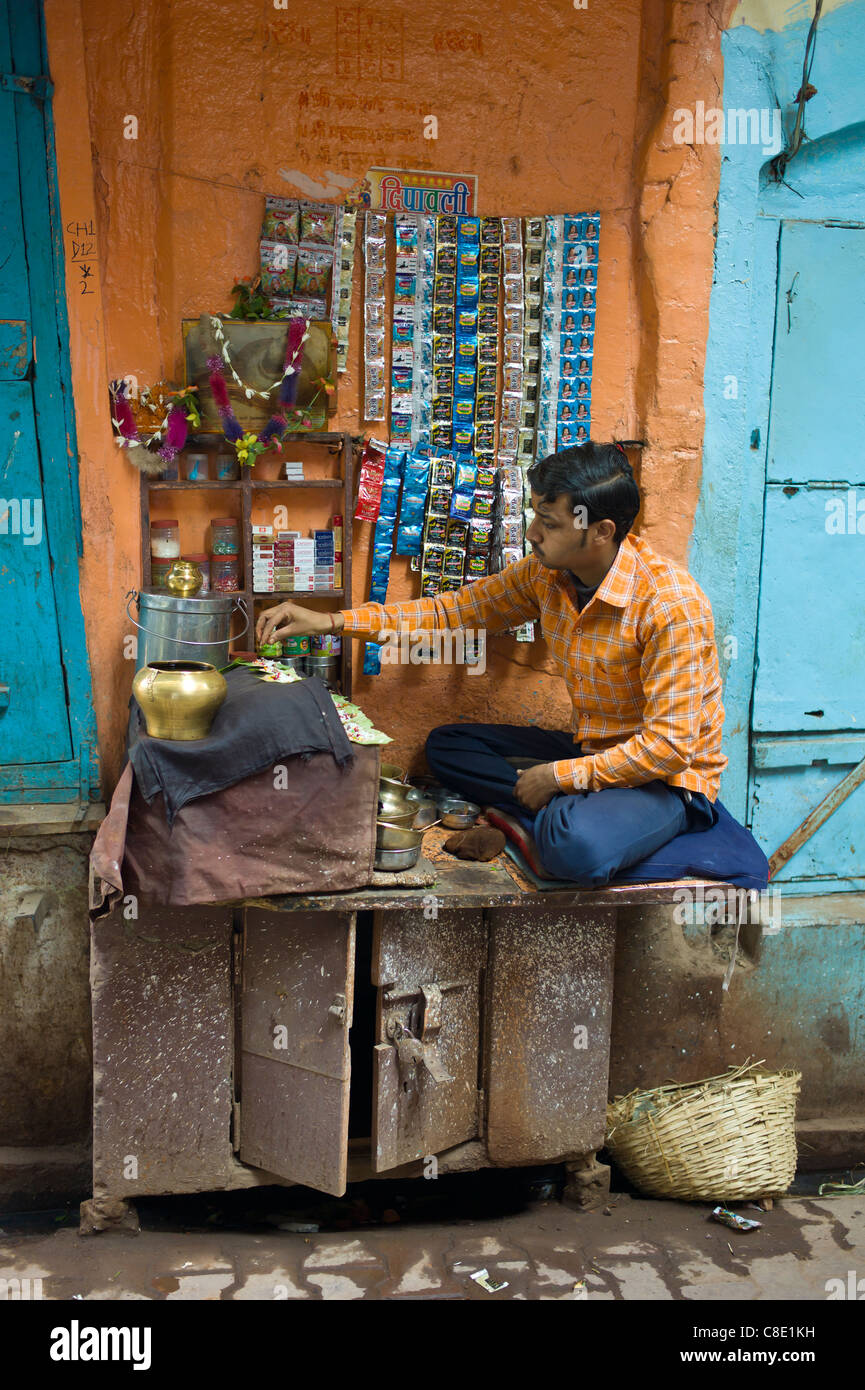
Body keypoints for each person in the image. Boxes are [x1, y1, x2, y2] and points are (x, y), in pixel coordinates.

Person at [256, 442, 767, 889]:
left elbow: (669, 748)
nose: (533, 534)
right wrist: (332, 621)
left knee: (574, 850)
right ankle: (562, 814)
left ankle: (584, 825)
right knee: (448, 747)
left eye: (550, 523)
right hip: (593, 750)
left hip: (661, 780)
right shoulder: (548, 576)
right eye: (535, 517)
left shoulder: (670, 605)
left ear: (601, 530)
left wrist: (560, 777)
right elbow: (454, 612)